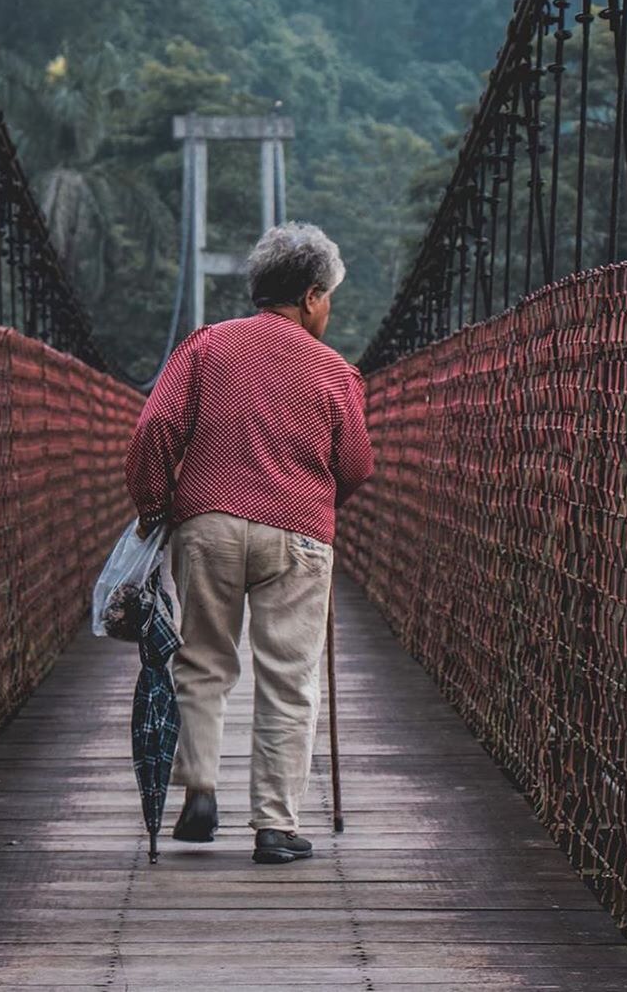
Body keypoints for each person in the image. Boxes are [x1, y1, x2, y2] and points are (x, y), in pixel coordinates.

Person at [124, 222, 374, 864]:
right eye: (330, 299)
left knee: (202, 660)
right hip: (297, 530)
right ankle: (274, 825)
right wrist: (318, 508)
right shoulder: (335, 370)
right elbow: (356, 465)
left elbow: (153, 429)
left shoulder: (206, 346)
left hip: (205, 523)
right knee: (289, 678)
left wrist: (157, 509)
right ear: (313, 296)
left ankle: (200, 792)